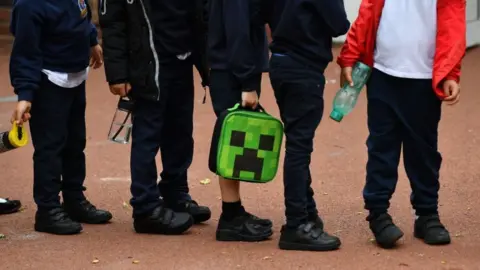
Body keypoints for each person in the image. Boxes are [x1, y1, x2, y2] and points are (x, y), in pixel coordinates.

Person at [337, 0, 466, 248]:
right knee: (381, 148)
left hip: (425, 79)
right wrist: (350, 55)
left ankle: (426, 214)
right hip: (382, 75)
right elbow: (367, 13)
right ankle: (378, 213)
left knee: (424, 152)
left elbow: (454, 25)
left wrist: (451, 73)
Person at [99, 0, 211, 235]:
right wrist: (117, 74)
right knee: (148, 136)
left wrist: (207, 63)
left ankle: (176, 194)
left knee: (181, 132)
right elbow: (112, 23)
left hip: (182, 59)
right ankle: (145, 208)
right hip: (148, 64)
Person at [9, 0, 112, 235]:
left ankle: (74, 199)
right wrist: (25, 93)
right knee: (50, 148)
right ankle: (47, 210)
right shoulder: (29, 5)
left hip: (75, 77)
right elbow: (25, 52)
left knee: (75, 143)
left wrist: (92, 40)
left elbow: (81, 15)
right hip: (49, 81)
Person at [268, 0, 350, 251]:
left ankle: (307, 213)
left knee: (296, 143)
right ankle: (296, 224)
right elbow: (339, 24)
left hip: (281, 62)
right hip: (303, 66)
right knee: (299, 148)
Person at [207, 0, 273, 242]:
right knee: (232, 143)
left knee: (234, 143)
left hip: (229, 69)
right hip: (233, 72)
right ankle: (230, 217)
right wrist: (247, 82)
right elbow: (237, 32)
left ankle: (234, 212)